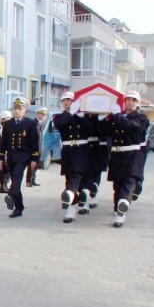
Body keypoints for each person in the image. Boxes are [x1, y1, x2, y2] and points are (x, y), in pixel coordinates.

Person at [105, 90, 149, 228]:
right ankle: (119, 205)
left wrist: (116, 116)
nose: (130, 102)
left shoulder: (141, 118)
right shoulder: (117, 117)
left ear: (138, 103)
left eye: (133, 100)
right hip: (117, 155)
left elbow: (132, 126)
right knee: (117, 185)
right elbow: (105, 131)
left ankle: (122, 209)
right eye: (128, 99)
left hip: (133, 155)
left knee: (129, 182)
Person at [52, 92, 93, 223]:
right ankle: (72, 207)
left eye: (69, 100)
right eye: (64, 100)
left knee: (75, 179)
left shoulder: (82, 116)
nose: (66, 102)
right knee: (70, 179)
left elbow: (92, 130)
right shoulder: (59, 116)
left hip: (82, 151)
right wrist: (71, 113)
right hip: (68, 152)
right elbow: (59, 124)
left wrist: (81, 116)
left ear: (74, 102)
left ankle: (72, 202)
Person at [0, 97, 39, 218]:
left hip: (23, 157)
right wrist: (0, 158)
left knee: (16, 178)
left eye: (20, 108)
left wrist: (34, 159)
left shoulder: (31, 123)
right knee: (15, 181)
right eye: (15, 108)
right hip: (11, 157)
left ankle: (10, 195)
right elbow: (3, 142)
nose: (17, 111)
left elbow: (34, 143)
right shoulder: (8, 124)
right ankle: (19, 207)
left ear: (25, 110)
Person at [26, 107, 46, 187]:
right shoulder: (34, 123)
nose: (43, 116)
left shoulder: (40, 123)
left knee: (36, 165)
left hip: (39, 147)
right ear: (37, 114)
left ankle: (33, 180)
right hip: (34, 148)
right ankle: (28, 180)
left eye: (43, 114)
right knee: (32, 165)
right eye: (41, 114)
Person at [0, 110, 12, 193]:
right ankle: (2, 186)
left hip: (9, 152)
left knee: (8, 170)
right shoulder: (2, 130)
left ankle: (5, 185)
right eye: (8, 118)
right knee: (4, 170)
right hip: (4, 152)